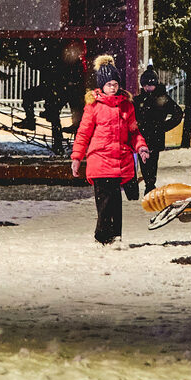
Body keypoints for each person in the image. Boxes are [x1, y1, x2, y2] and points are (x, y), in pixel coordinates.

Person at [71, 55, 148, 247]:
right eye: (109, 84)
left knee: (115, 201)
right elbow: (83, 134)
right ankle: (102, 236)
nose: (112, 87)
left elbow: (134, 132)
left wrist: (142, 147)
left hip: (119, 160)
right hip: (99, 159)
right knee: (104, 201)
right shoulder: (93, 106)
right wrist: (77, 158)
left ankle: (116, 236)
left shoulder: (126, 105)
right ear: (101, 86)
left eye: (115, 83)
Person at [132, 67, 183, 193]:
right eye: (145, 85)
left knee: (152, 162)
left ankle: (150, 186)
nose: (147, 88)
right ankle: (148, 185)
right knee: (143, 163)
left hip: (155, 137)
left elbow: (178, 114)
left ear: (155, 84)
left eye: (150, 85)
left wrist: (164, 126)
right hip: (142, 137)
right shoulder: (138, 100)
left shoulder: (163, 99)